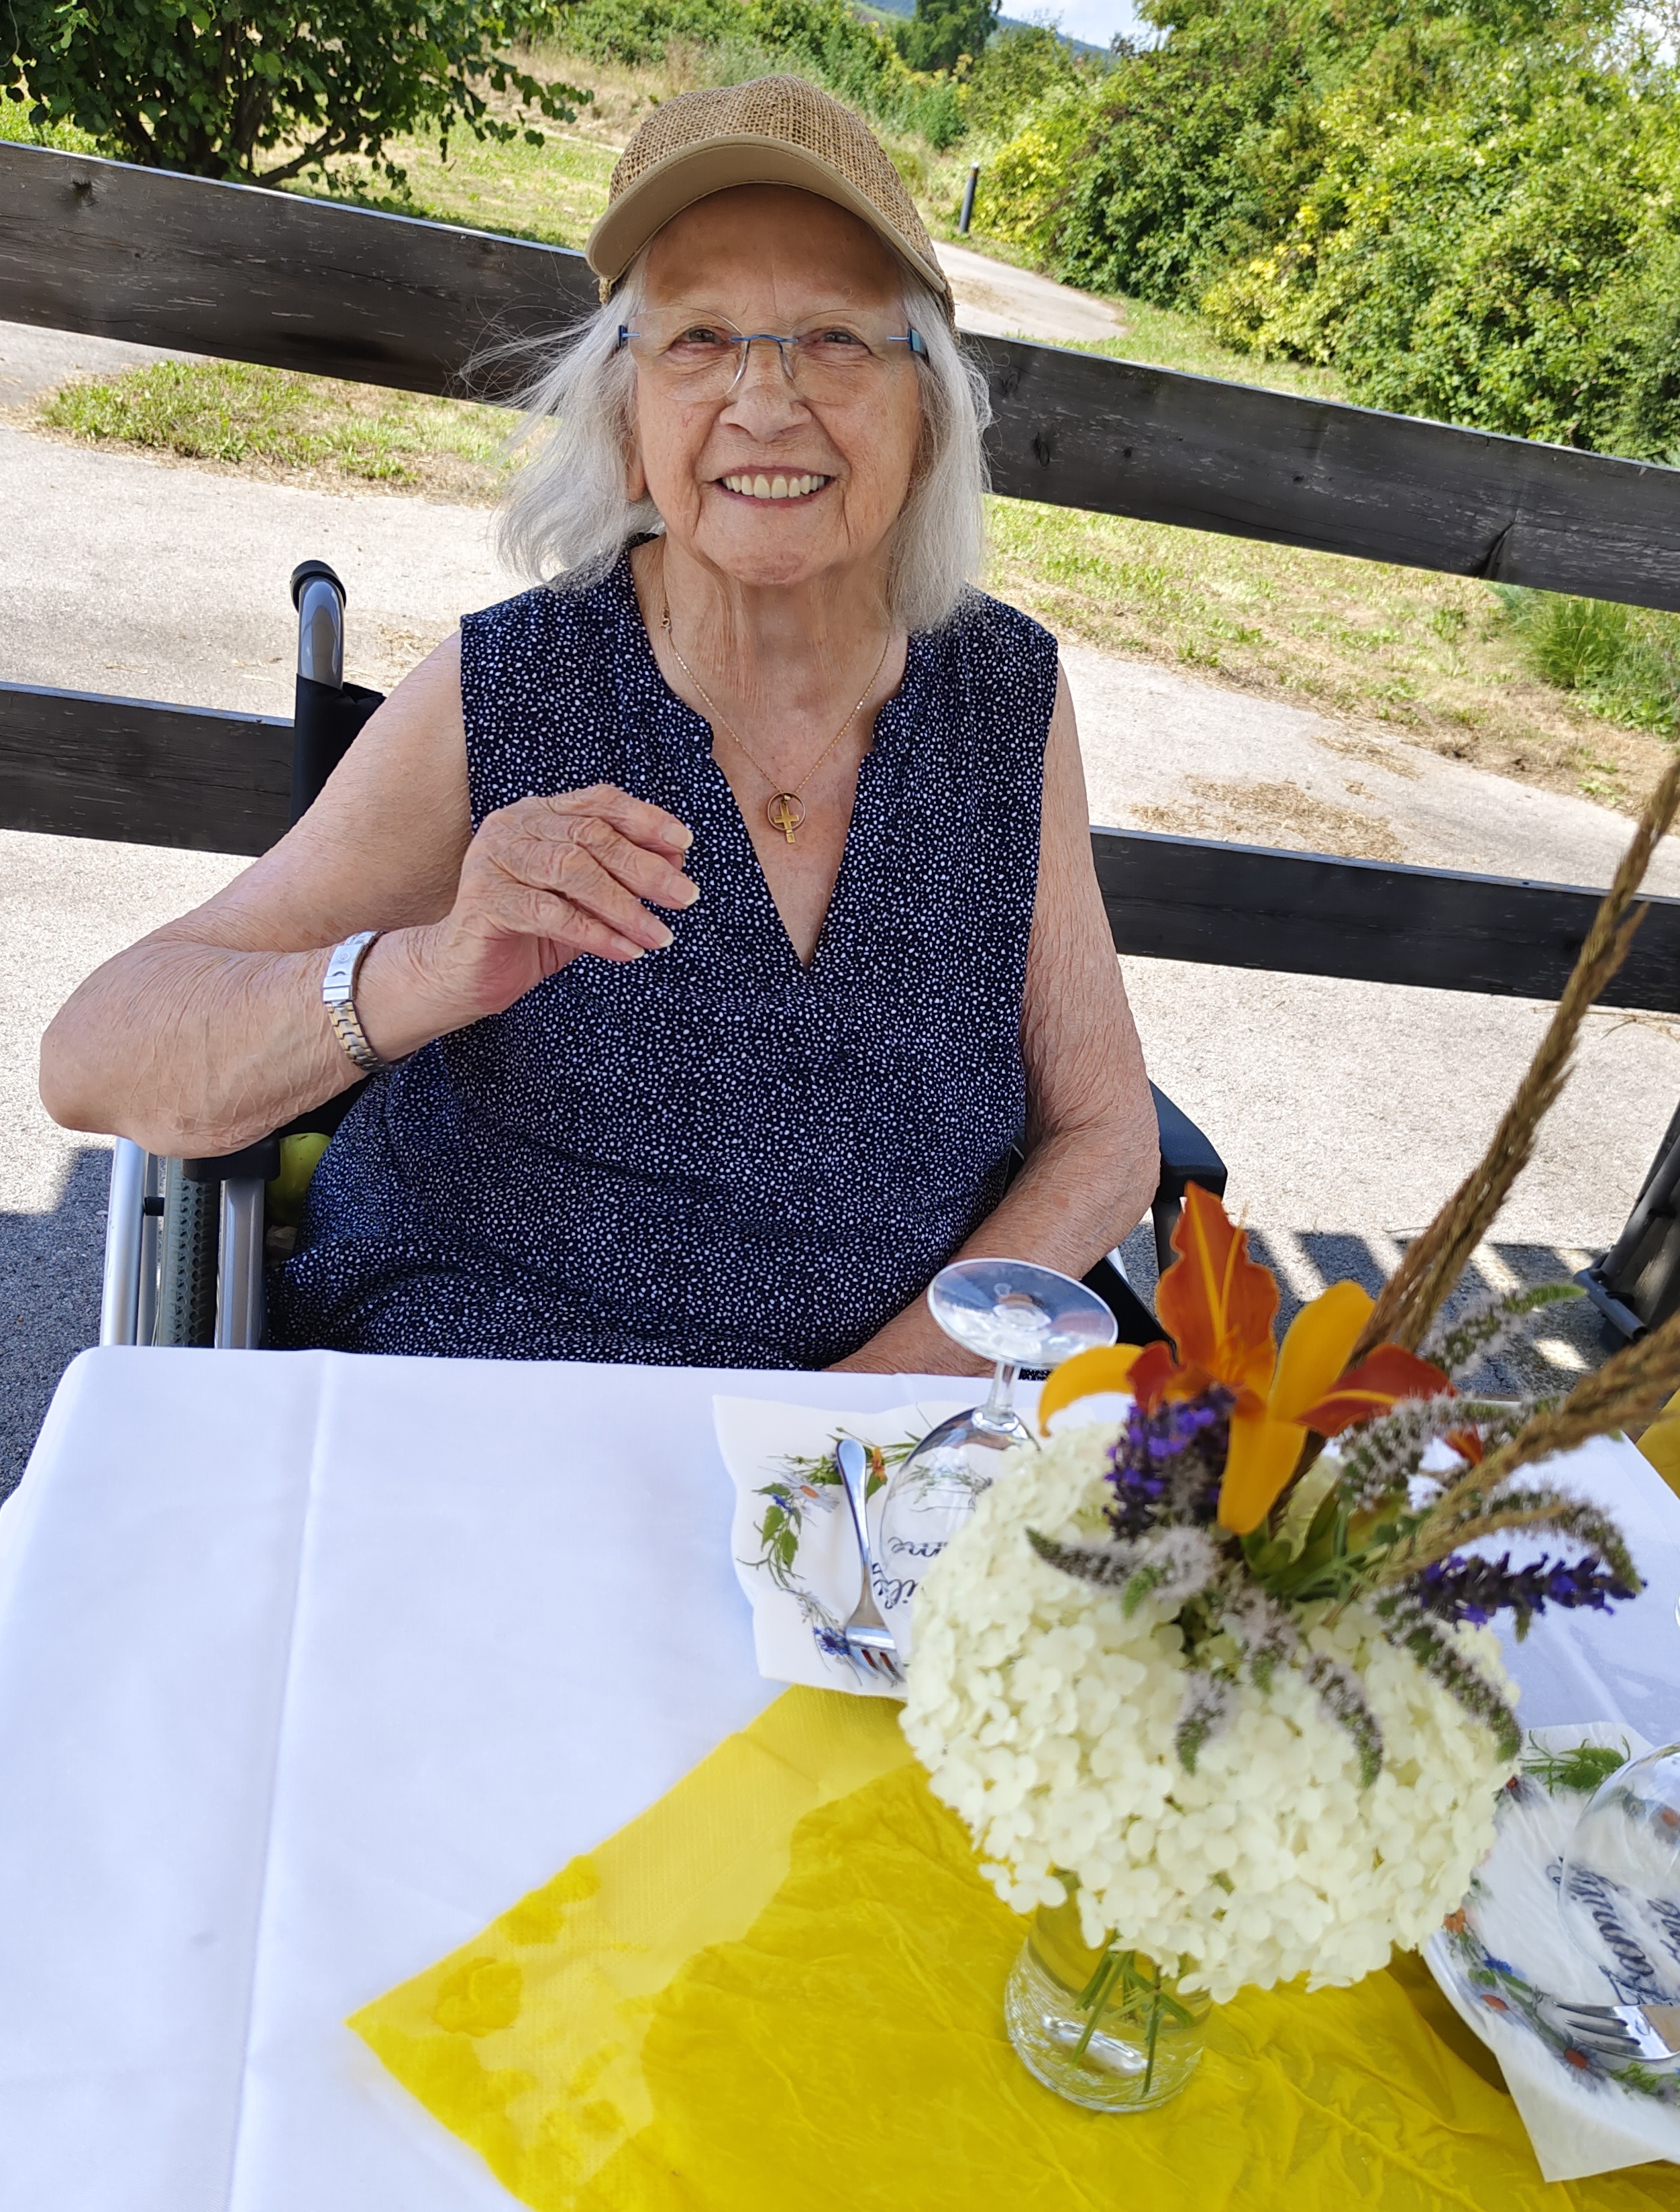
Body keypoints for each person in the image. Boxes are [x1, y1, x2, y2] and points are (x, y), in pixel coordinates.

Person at [40, 75, 1158, 1376]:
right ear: (628, 417)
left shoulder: (1004, 697)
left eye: (835, 339)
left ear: (927, 414)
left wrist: (860, 1410)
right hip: (494, 1401)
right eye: (699, 339)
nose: (763, 402)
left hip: (877, 1443)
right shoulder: (512, 687)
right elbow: (95, 1055)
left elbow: (1105, 1133)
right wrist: (428, 970)